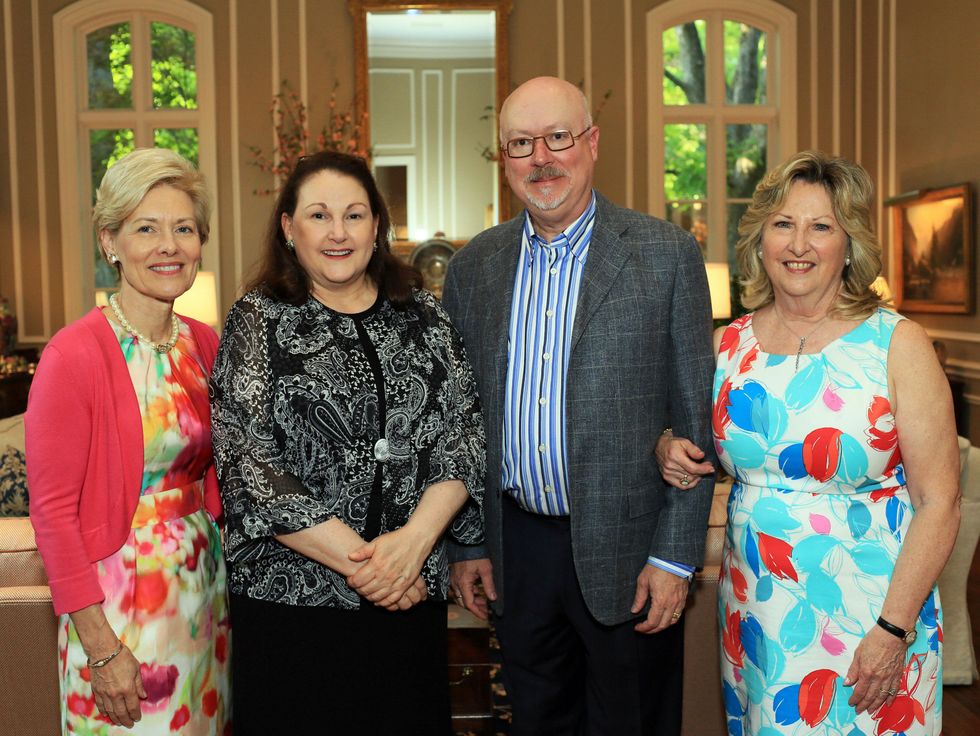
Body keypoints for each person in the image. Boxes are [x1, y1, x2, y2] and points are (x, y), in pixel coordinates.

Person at [442, 76, 717, 735]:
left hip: (631, 553)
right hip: (518, 551)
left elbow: (693, 422)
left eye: (558, 137)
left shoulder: (666, 255)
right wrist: (468, 541)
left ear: (591, 143)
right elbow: (460, 421)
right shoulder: (474, 267)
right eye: (520, 144)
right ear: (504, 160)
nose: (542, 157)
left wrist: (676, 557)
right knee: (537, 721)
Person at [656, 151, 959, 735]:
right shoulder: (726, 345)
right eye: (783, 224)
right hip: (757, 611)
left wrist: (893, 630)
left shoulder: (898, 344)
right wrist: (668, 447)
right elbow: (695, 446)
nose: (800, 244)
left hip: (874, 614)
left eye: (821, 226)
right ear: (760, 239)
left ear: (849, 244)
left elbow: (940, 502)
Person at [210, 150, 485, 735]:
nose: (338, 233)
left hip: (410, 604)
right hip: (292, 609)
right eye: (319, 215)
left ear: (377, 226)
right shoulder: (256, 321)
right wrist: (374, 569)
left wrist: (413, 543)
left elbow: (463, 438)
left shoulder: (426, 319)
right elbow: (252, 466)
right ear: (288, 227)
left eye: (354, 215)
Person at [26, 147, 230, 734]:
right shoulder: (74, 354)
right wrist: (103, 648)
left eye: (184, 229)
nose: (169, 245)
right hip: (119, 607)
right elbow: (54, 515)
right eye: (147, 228)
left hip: (203, 593)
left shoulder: (204, 343)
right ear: (110, 242)